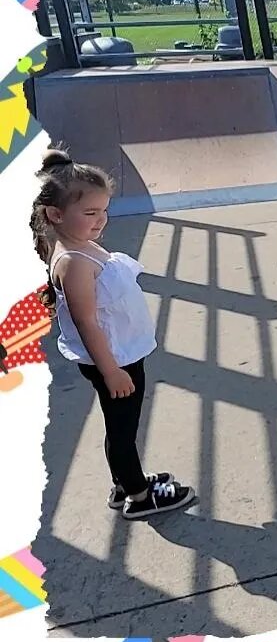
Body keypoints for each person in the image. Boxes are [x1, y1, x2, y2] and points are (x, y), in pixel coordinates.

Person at [30, 147, 196, 521]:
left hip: (119, 353)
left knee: (119, 424)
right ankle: (138, 495)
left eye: (104, 210)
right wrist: (111, 371)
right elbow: (87, 322)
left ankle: (125, 481)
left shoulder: (77, 244)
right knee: (123, 430)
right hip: (114, 358)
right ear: (55, 214)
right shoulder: (72, 263)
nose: (101, 220)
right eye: (90, 213)